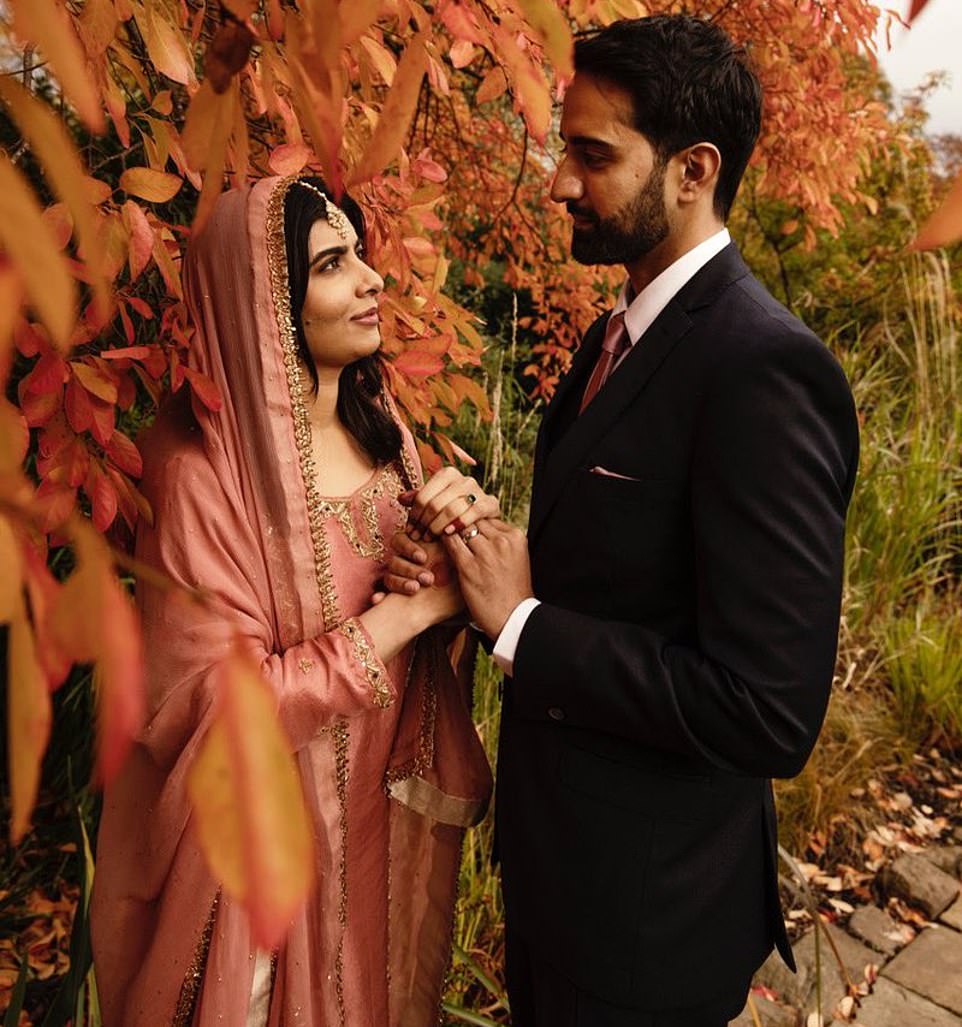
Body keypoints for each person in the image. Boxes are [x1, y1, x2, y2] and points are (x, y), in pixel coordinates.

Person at [387, 15, 860, 1026]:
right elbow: (616, 567)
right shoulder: (617, 333)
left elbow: (767, 710)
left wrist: (522, 629)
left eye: (590, 154)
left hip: (647, 925)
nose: (557, 181)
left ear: (692, 170)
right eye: (564, 145)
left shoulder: (757, 370)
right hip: (567, 885)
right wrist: (479, 567)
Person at [90, 175, 495, 1027]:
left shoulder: (383, 430)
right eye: (332, 264)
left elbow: (411, 624)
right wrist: (407, 614)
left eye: (362, 258)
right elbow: (221, 713)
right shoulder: (201, 472)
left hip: (371, 834)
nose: (371, 280)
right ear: (263, 300)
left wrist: (452, 564)